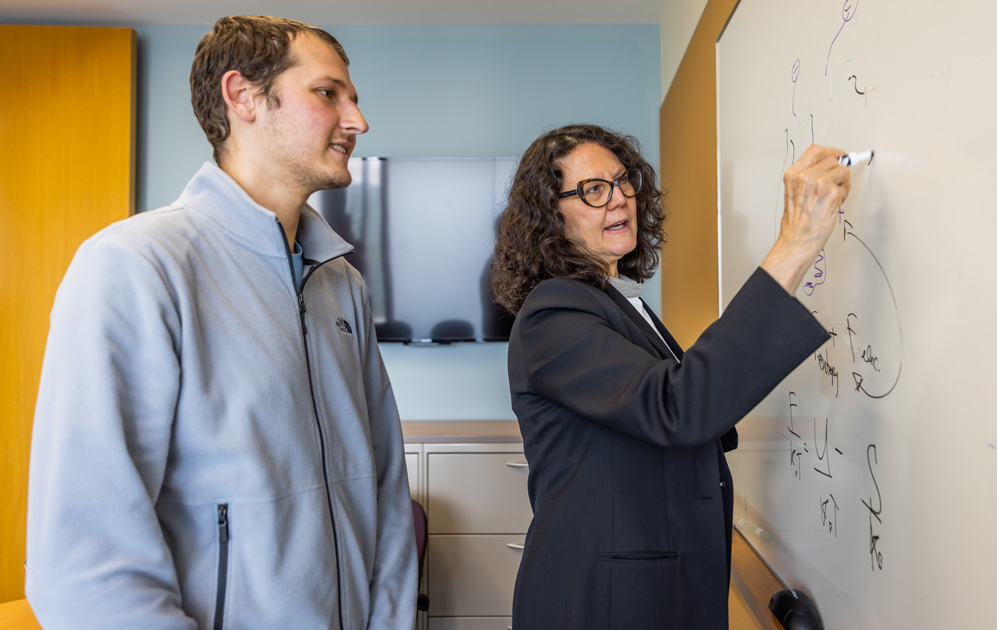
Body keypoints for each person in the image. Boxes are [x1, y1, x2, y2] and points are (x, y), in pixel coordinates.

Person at [25, 15, 417, 629]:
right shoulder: (136, 266)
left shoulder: (343, 283)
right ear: (243, 97)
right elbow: (85, 563)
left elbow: (387, 497)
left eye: (355, 99)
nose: (357, 122)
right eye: (327, 93)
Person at [490, 123, 850, 629]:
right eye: (593, 190)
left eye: (622, 181)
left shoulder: (618, 302)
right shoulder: (553, 310)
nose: (618, 200)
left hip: (649, 589)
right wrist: (794, 244)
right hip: (604, 602)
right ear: (552, 218)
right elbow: (676, 408)